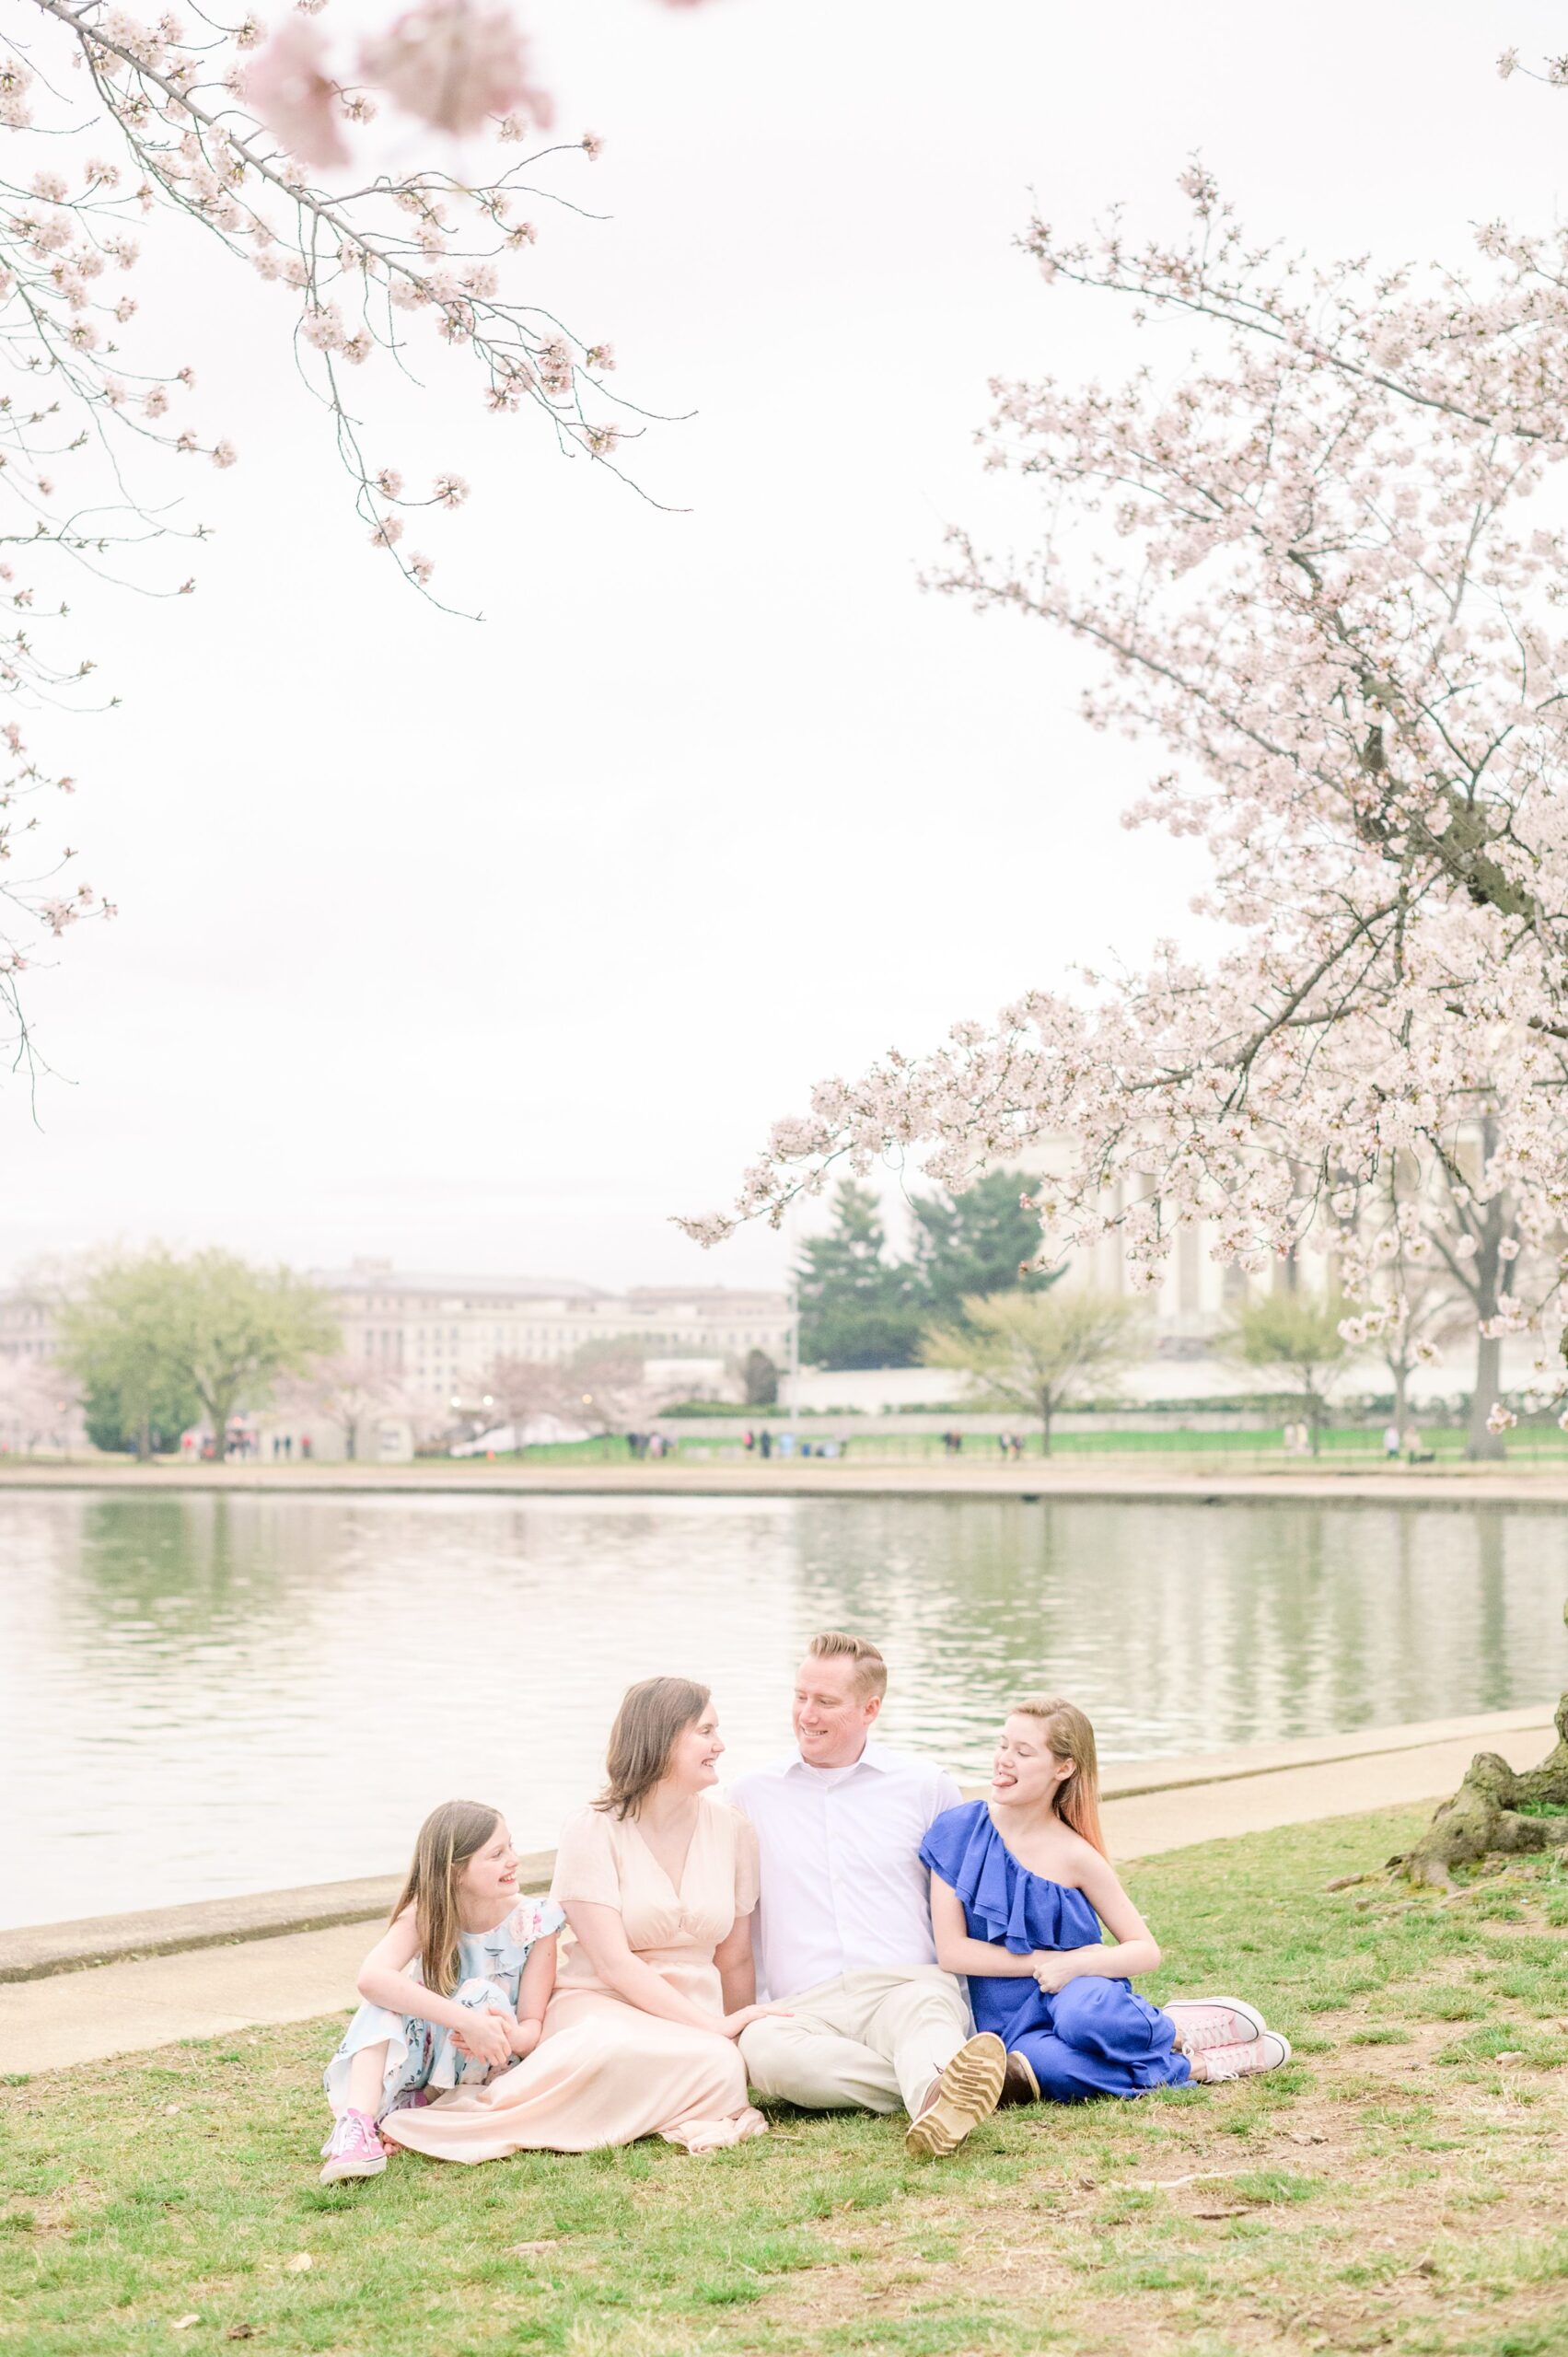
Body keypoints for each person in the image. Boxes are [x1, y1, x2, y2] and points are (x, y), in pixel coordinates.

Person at [381, 1678, 779, 2163]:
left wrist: (731, 2032)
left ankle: (629, 2097)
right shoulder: (590, 1830)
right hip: (600, 2000)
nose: (720, 1744)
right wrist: (712, 2027)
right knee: (609, 2046)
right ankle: (477, 2117)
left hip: (693, 2008)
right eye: (706, 1731)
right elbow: (612, 1964)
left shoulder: (733, 1830)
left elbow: (734, 1956)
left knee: (719, 2067)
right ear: (661, 1737)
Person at [922, 1698, 1289, 2106]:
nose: (1004, 1760)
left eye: (1023, 1752)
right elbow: (953, 1952)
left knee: (1084, 2018)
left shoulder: (1077, 1856)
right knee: (1051, 2068)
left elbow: (1144, 1950)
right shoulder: (960, 1829)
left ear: (1064, 1768)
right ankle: (1195, 2066)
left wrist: (1079, 1964)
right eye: (1003, 1744)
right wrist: (1048, 1963)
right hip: (1013, 2021)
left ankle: (1175, 2031)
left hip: (1082, 1995)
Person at [731, 1632, 1005, 2159]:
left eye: (826, 1702)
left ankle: (933, 2083)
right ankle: (938, 2088)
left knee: (928, 2015)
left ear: (870, 1708)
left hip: (905, 1987)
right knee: (765, 2056)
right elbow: (738, 1925)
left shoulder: (927, 1788)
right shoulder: (748, 1795)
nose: (806, 1715)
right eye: (800, 1696)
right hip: (802, 2007)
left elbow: (965, 1912)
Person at [319, 1799, 563, 2184]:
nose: (513, 1860)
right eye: (497, 1854)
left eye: (510, 1847)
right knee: (381, 2000)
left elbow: (533, 2025)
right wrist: (465, 2020)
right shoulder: (426, 1914)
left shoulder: (535, 1920)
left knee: (481, 1995)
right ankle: (359, 2130)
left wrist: (507, 2034)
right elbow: (371, 1977)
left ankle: (423, 2110)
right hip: (431, 2057)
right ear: (456, 1872)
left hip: (491, 2059)